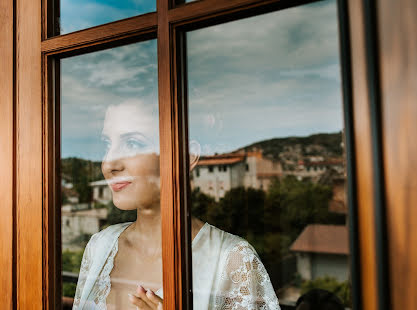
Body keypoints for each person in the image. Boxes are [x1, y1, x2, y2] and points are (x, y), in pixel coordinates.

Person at [72, 101, 280, 310]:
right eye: (108, 145)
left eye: (133, 144)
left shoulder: (233, 261)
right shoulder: (99, 247)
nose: (109, 164)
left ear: (186, 156)